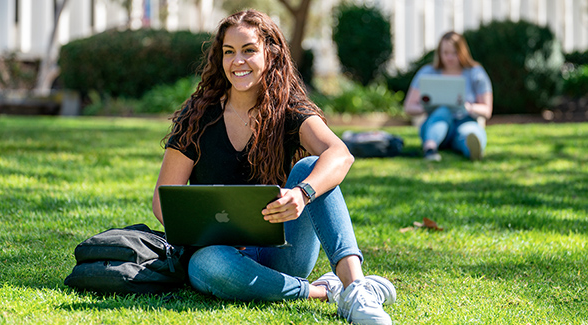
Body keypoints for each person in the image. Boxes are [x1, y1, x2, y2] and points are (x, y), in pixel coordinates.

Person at [151, 9, 395, 325]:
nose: (237, 61)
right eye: (229, 52)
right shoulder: (196, 117)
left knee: (312, 165)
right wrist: (211, 233)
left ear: (270, 52)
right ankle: (324, 292)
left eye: (249, 50)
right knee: (206, 266)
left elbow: (340, 154)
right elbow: (163, 202)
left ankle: (356, 287)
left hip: (283, 251)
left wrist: (303, 194)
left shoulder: (290, 108)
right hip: (220, 253)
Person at [403, 31, 493, 161]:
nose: (450, 58)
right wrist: (428, 107)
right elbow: (409, 107)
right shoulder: (427, 73)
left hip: (464, 120)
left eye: (454, 53)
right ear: (439, 53)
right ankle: (430, 147)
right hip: (435, 122)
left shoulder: (475, 73)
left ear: (462, 52)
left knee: (469, 132)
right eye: (446, 53)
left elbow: (487, 110)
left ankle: (472, 149)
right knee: (443, 111)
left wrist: (469, 107)